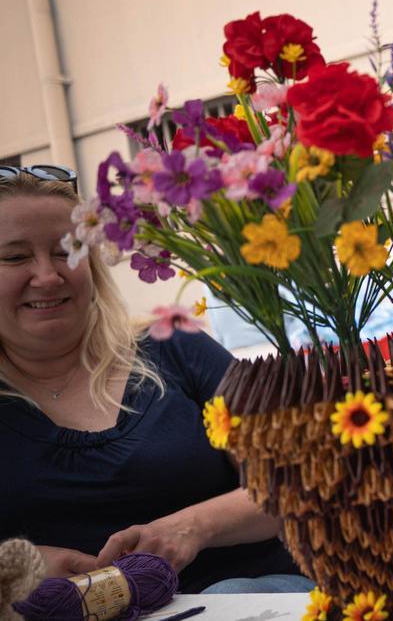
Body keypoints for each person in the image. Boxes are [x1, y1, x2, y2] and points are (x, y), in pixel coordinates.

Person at [0, 170, 311, 594]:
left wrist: (194, 527)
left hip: (249, 596)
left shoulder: (174, 347)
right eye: (15, 257)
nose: (48, 275)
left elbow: (296, 482)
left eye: (66, 251)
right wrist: (18, 569)